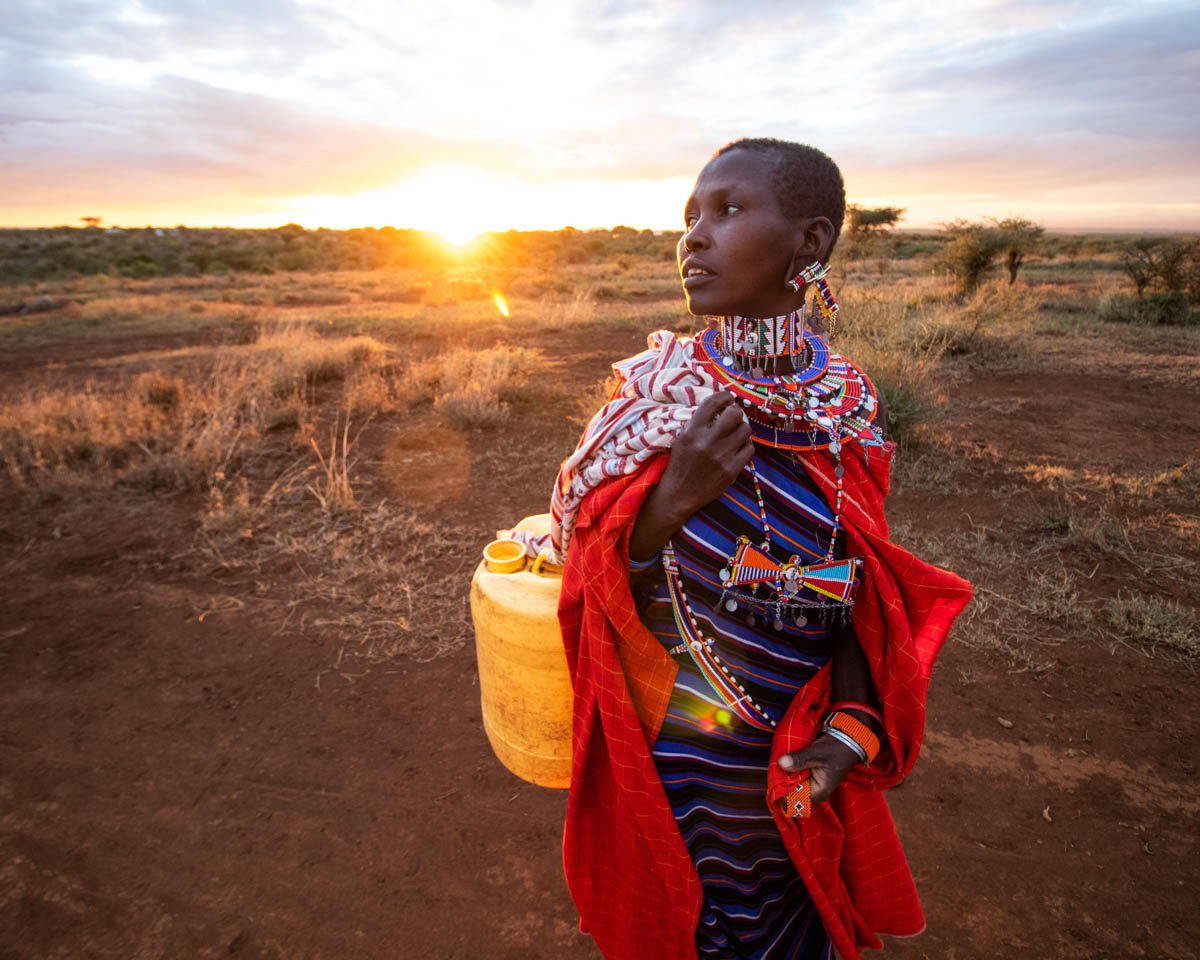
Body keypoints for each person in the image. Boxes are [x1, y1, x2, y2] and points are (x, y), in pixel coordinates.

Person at [551, 138, 973, 960]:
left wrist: (850, 730)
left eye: (729, 211)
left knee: (791, 916)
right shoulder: (658, 394)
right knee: (692, 917)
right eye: (689, 218)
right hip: (677, 743)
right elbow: (595, 580)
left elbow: (855, 581)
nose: (694, 237)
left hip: (795, 743)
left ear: (809, 243)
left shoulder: (846, 405)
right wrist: (671, 499)